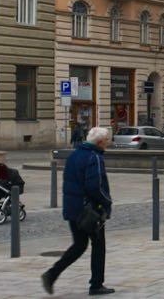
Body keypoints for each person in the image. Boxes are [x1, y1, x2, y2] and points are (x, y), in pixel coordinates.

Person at [42, 126, 115, 296]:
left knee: (79, 245)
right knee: (98, 245)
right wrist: (107, 202)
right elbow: (95, 186)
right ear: (99, 142)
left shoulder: (74, 155)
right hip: (90, 210)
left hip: (73, 207)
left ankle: (51, 274)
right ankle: (96, 284)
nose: (108, 144)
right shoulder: (94, 157)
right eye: (106, 141)